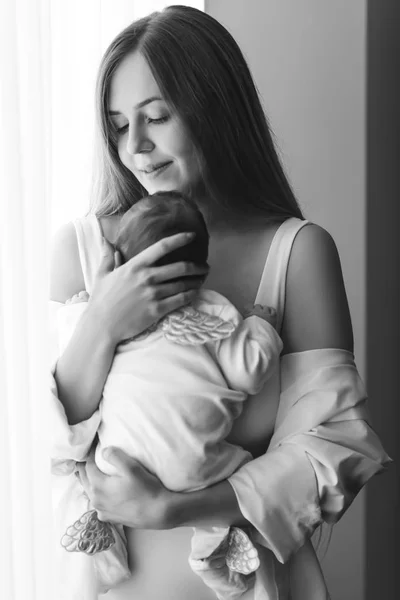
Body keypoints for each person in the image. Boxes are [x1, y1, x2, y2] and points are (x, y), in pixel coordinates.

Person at [49, 6, 391, 600]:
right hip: (112, 586)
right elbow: (56, 442)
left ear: (214, 110)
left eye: (156, 117)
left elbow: (335, 447)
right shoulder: (83, 249)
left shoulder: (296, 253)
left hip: (251, 584)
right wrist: (104, 320)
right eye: (118, 125)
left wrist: (175, 507)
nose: (137, 147)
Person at [56, 191, 282, 599]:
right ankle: (211, 554)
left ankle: (105, 555)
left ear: (120, 265)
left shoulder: (102, 312)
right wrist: (261, 325)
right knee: (242, 469)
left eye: (159, 120)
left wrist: (87, 307)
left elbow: (67, 360)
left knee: (83, 467)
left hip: (113, 467)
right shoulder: (216, 312)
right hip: (196, 472)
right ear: (202, 272)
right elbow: (250, 373)